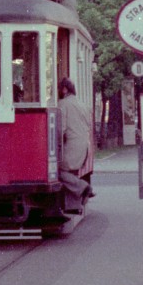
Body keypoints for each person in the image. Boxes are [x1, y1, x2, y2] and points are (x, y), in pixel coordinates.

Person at [57, 77, 93, 212]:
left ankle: (83, 187)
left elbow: (62, 128)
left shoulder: (63, 104)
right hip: (84, 146)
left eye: (59, 89)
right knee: (71, 173)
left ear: (65, 89)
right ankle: (73, 206)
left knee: (58, 172)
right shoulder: (82, 104)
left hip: (72, 145)